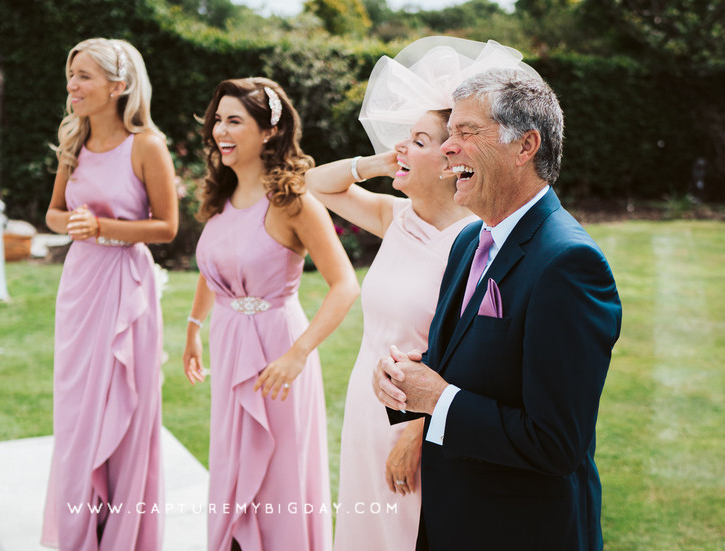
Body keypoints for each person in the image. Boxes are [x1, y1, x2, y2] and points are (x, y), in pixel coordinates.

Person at [307, 36, 542, 551]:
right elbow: (316, 186)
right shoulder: (395, 218)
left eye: (419, 140)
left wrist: (415, 434)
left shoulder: (475, 240)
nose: (402, 149)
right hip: (367, 403)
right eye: (405, 139)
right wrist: (377, 164)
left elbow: (472, 357)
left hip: (418, 417)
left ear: (452, 156)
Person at [374, 68, 622, 550]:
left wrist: (438, 400)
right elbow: (462, 362)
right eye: (449, 136)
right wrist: (405, 376)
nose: (448, 147)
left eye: (466, 133)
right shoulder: (469, 240)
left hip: (522, 530)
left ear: (525, 146)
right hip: (452, 519)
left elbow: (557, 443)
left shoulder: (569, 263)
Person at [182, 77, 359, 551]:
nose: (220, 129)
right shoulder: (218, 198)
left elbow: (344, 285)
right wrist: (194, 327)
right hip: (228, 342)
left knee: (278, 480)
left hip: (279, 355)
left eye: (234, 120)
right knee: (231, 469)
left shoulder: (293, 201)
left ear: (268, 132)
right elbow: (210, 268)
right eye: (217, 119)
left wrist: (298, 355)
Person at [40, 38, 178, 551]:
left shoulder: (146, 146)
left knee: (126, 403)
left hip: (127, 287)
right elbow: (53, 213)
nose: (72, 85)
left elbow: (166, 227)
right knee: (77, 409)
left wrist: (103, 226)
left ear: (118, 87)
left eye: (84, 76)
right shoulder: (73, 141)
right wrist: (74, 226)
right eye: (71, 74)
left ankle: (124, 535)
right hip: (79, 285)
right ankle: (80, 529)